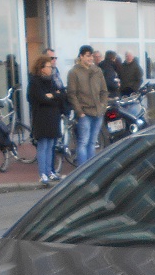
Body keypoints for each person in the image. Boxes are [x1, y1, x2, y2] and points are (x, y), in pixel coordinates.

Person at [28, 56, 66, 187]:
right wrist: (52, 96)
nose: (51, 69)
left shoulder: (51, 81)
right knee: (43, 145)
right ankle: (42, 173)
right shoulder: (35, 82)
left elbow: (61, 95)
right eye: (49, 67)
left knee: (51, 145)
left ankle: (50, 171)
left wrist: (53, 95)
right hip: (42, 118)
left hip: (53, 117)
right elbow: (41, 98)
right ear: (42, 68)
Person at [66, 45, 107, 164]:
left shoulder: (97, 71)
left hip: (98, 112)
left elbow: (104, 91)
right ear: (81, 56)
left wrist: (103, 105)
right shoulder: (74, 72)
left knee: (92, 142)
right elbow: (71, 94)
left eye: (92, 56)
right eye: (88, 56)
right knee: (83, 142)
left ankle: (91, 171)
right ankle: (82, 170)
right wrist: (80, 112)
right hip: (85, 113)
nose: (91, 59)